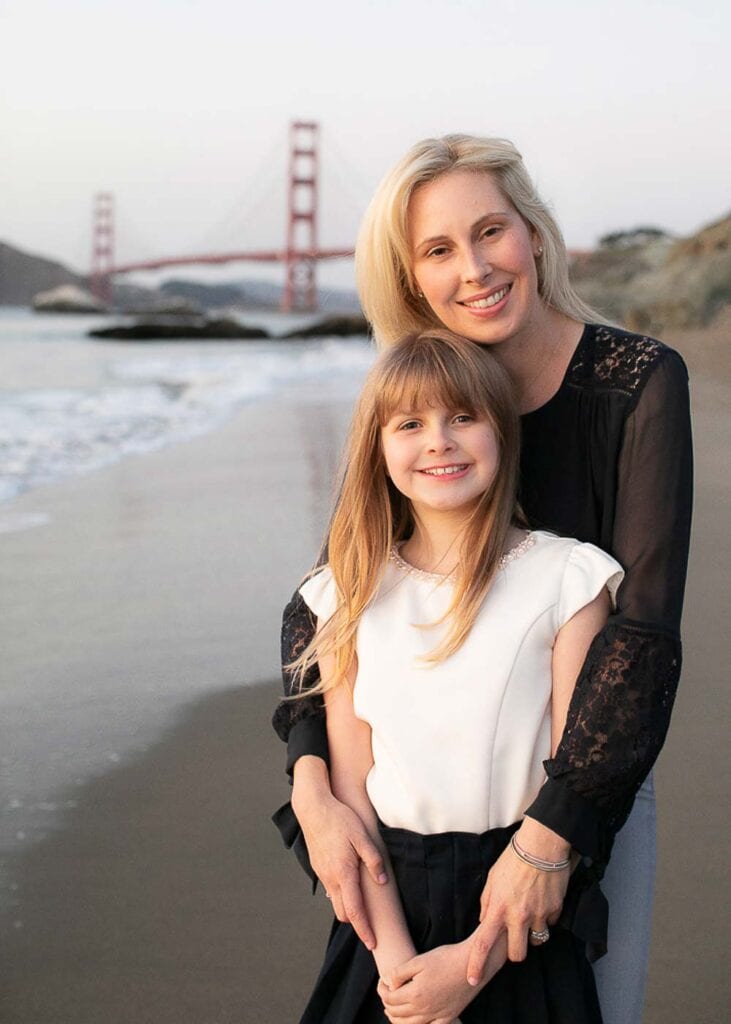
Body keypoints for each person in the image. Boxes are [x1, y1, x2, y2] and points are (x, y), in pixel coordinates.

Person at [273, 135, 693, 1024]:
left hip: (584, 773)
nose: (473, 268)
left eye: (489, 231)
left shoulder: (637, 383)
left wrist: (550, 841)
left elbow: (643, 639)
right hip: (415, 799)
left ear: (532, 233)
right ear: (411, 276)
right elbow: (326, 606)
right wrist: (312, 786)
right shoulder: (422, 402)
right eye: (436, 249)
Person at [288, 329, 624, 1023]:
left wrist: (473, 964)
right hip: (387, 924)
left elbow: (576, 775)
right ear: (378, 451)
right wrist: (401, 976)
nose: (438, 440)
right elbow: (350, 797)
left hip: (521, 908)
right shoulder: (347, 592)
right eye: (409, 423)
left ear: (501, 435)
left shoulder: (568, 579)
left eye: (462, 417)